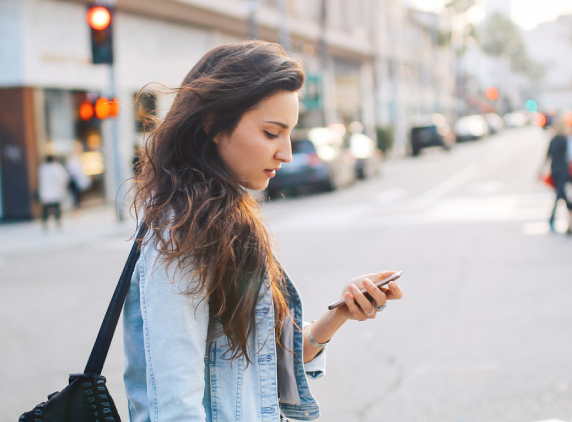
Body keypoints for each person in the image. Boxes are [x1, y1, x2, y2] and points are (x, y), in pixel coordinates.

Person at [124, 41, 404, 421]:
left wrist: (339, 313)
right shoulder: (182, 235)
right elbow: (174, 408)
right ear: (212, 124)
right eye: (272, 133)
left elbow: (264, 363)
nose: (286, 153)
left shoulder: (225, 222)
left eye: (289, 134)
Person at [538, 121, 572, 234]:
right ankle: (570, 212)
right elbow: (570, 156)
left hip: (555, 170)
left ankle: (557, 218)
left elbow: (547, 157)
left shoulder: (554, 140)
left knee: (559, 194)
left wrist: (540, 171)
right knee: (560, 194)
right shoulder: (566, 140)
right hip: (563, 170)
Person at [37, 154, 67, 231]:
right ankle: (58, 222)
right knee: (57, 208)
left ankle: (45, 223)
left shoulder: (43, 168)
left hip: (46, 192)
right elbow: (63, 178)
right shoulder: (57, 168)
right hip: (56, 191)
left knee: (46, 209)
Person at [64, 142, 89, 216]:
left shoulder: (77, 158)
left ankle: (77, 211)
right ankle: (76, 211)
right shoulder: (73, 159)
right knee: (75, 196)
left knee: (77, 196)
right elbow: (73, 171)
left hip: (76, 180)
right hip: (73, 180)